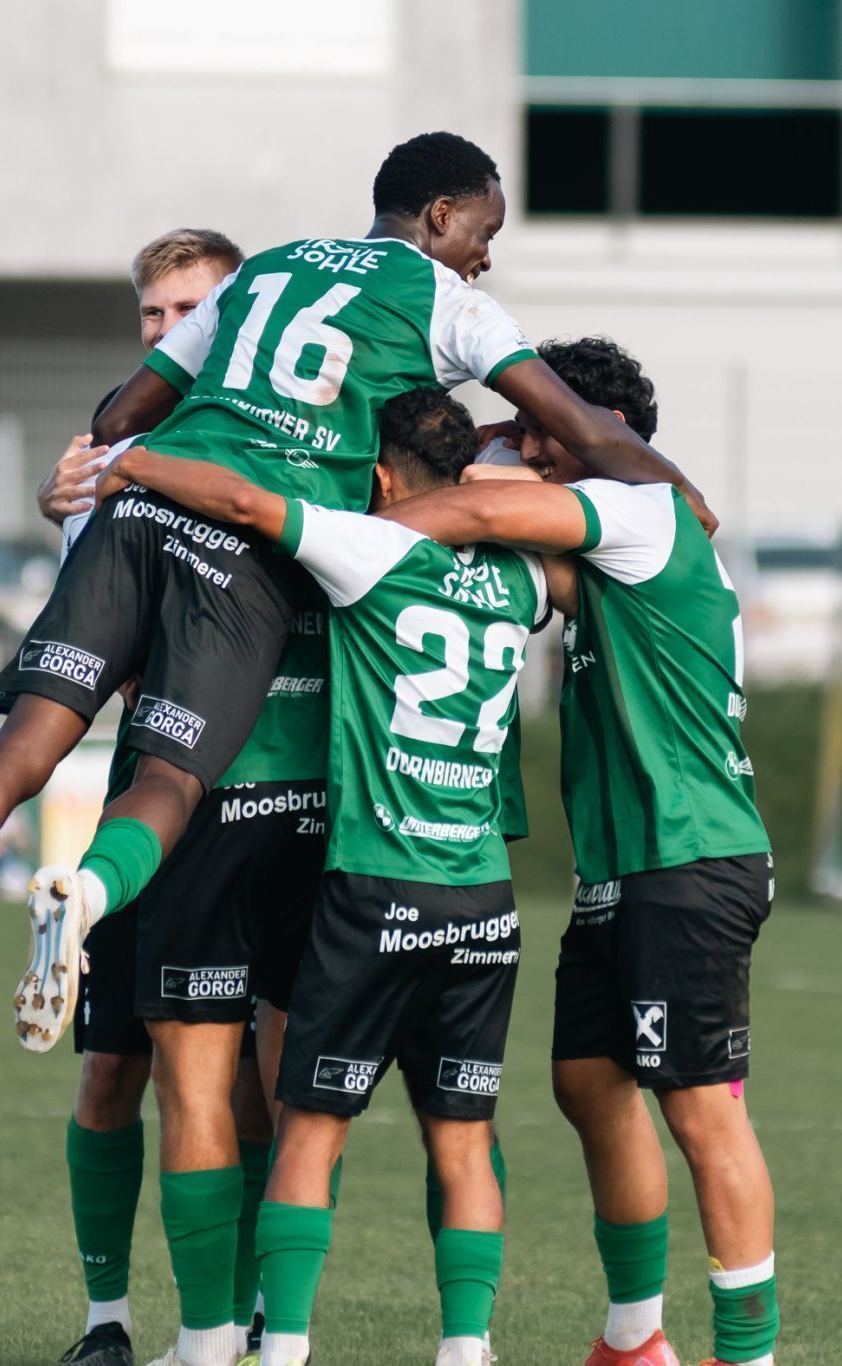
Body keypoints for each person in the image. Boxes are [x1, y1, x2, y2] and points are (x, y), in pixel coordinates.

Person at [0, 131, 701, 1366]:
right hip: (375, 839)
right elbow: (561, 436)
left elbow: (126, 418)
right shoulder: (459, 518)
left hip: (166, 563)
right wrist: (673, 496)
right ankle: (330, 1339)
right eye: (484, 229)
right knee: (333, 1102)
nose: (487, 253)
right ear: (440, 216)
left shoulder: (270, 283)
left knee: (46, 761)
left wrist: (115, 466)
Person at [104, 387, 576, 1366]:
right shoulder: (525, 580)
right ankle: (467, 1348)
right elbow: (561, 558)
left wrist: (136, 460)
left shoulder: (371, 548)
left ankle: (280, 1349)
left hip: (377, 887)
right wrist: (498, 476)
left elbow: (245, 503)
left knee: (309, 1128)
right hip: (486, 899)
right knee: (464, 1134)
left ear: (383, 476)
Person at [370, 338, 779, 1366]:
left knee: (702, 1111)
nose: (525, 446)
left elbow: (476, 509)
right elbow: (499, 515)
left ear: (600, 432)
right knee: (588, 1082)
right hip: (626, 866)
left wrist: (340, 525)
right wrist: (498, 435)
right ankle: (633, 1340)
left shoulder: (642, 511)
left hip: (686, 857)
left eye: (540, 427)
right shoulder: (612, 533)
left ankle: (749, 1356)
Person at [36, 228, 319, 1366]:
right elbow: (90, 636)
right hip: (151, 794)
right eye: (152, 316)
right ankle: (107, 1322)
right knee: (114, 1067)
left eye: (188, 312)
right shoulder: (109, 454)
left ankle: (247, 1325)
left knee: (255, 1080)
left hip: (281, 804)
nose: (167, 334)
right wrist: (70, 505)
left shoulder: (293, 443)